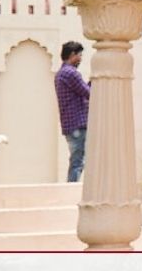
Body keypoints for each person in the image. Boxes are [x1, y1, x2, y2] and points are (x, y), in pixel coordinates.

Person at [53, 41, 89, 182]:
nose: (80, 59)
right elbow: (88, 93)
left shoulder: (60, 73)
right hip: (77, 123)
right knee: (78, 161)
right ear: (72, 54)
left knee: (76, 159)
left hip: (70, 125)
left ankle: (71, 187)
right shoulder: (71, 73)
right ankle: (71, 189)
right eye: (79, 55)